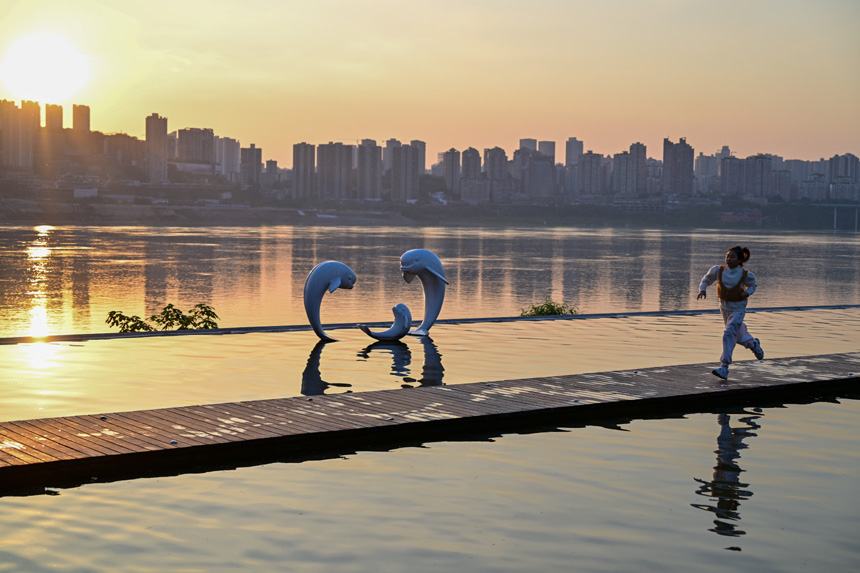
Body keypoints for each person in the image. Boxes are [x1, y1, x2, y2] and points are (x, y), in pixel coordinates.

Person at [697, 246, 764, 380]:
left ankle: (724, 367)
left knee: (728, 332)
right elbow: (706, 279)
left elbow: (753, 285)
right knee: (737, 336)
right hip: (724, 308)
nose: (728, 259)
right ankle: (753, 344)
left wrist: (747, 292)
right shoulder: (718, 270)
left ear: (740, 259)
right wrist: (702, 289)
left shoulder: (745, 275)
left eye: (732, 257)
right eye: (727, 256)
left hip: (738, 309)